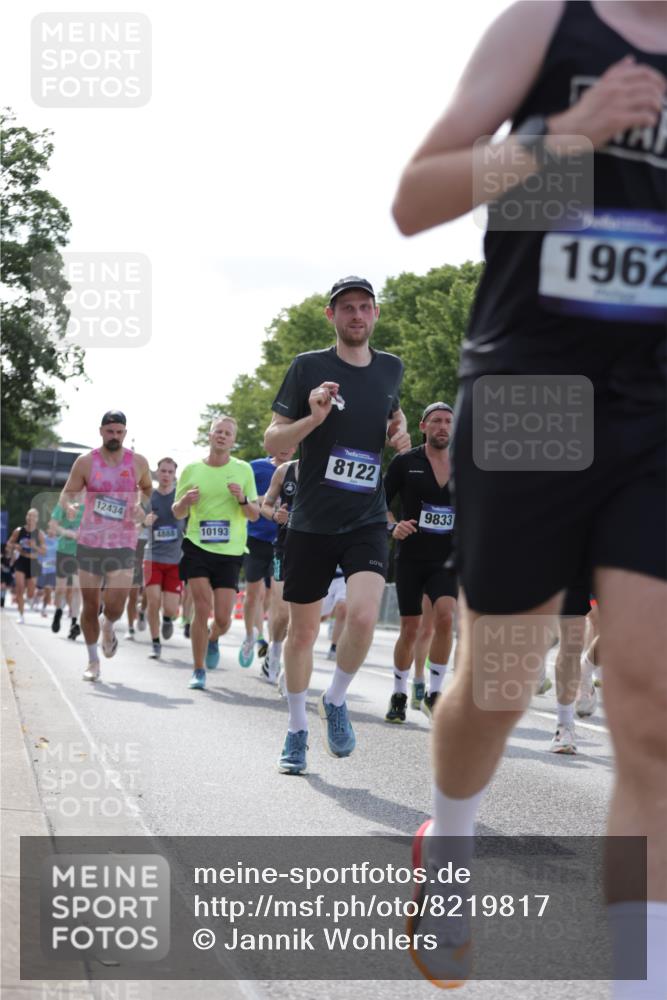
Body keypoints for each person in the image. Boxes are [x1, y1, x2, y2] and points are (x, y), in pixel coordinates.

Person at [392, 2, 666, 993]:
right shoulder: (549, 25)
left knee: (651, 706)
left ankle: (642, 978)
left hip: (654, 409)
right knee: (498, 679)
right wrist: (562, 138)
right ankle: (451, 838)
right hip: (531, 393)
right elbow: (417, 199)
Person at [264, 275, 410, 775]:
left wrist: (399, 430)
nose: (356, 315)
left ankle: (337, 698)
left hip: (366, 517)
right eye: (346, 308)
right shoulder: (309, 366)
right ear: (331, 315)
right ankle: (297, 730)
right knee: (302, 634)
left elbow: (392, 410)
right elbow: (271, 439)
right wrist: (313, 419)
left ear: (374, 315)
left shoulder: (392, 367)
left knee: (364, 616)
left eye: (364, 307)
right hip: (311, 521)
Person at [58, 411, 152, 681]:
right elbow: (68, 492)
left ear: (125, 432)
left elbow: (147, 489)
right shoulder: (86, 462)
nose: (115, 436)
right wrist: (70, 505)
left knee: (115, 604)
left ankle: (108, 625)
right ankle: (92, 661)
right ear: (101, 431)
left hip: (122, 542)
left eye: (119, 432)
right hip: (90, 541)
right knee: (90, 604)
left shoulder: (138, 462)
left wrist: (140, 506)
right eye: (110, 431)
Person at [384, 402, 458, 724]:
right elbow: (380, 505)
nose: (443, 427)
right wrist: (392, 526)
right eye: (436, 421)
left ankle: (435, 692)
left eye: (448, 422)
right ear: (424, 425)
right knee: (411, 629)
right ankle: (399, 692)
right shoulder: (405, 462)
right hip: (411, 556)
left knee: (445, 619)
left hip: (447, 559)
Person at [173, 416, 259, 689]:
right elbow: (177, 511)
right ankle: (198, 670)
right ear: (209, 436)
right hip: (197, 545)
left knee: (222, 618)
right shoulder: (191, 470)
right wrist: (186, 501)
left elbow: (255, 515)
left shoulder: (243, 470)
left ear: (233, 440)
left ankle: (213, 639)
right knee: (201, 607)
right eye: (218, 432)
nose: (222, 436)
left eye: (228, 433)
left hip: (230, 552)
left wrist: (242, 499)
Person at [238, 448, 295, 668]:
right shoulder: (256, 467)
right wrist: (267, 499)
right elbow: (245, 499)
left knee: (274, 596)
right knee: (254, 594)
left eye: (291, 444)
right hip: (255, 538)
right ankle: (251, 636)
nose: (286, 448)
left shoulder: (298, 469)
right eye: (283, 442)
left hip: (282, 543)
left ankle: (270, 646)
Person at [259, 457, 299, 682]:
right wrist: (275, 515)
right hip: (284, 549)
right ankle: (274, 652)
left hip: (316, 553)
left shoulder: (331, 469)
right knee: (282, 612)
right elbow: (265, 505)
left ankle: (292, 665)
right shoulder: (285, 470)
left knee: (302, 618)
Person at [143, 457, 185, 660]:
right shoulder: (149, 497)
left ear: (174, 474)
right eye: (163, 471)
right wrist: (145, 521)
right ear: (157, 473)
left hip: (175, 559)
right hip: (152, 556)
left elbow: (190, 523)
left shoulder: (181, 496)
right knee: (153, 601)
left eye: (170, 471)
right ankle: (155, 643)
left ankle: (168, 619)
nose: (166, 475)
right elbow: (135, 521)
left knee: (170, 607)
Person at [50, 498, 83, 639]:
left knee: (77, 589)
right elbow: (53, 525)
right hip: (64, 551)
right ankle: (58, 612)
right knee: (60, 589)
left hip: (82, 552)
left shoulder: (91, 503)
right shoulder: (63, 502)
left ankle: (74, 623)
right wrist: (67, 532)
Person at [7, 508, 46, 624]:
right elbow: (10, 543)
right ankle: (21, 615)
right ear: (26, 517)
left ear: (37, 519)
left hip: (33, 563)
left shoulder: (39, 534)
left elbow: (44, 551)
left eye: (33, 516)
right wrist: (15, 546)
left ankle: (30, 599)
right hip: (21, 561)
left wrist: (34, 546)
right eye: (29, 515)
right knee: (19, 588)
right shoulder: (19, 531)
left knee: (30, 592)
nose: (31, 518)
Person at [36, 521, 58, 617]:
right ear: (47, 529)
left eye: (54, 529)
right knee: (40, 590)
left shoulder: (59, 541)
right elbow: (39, 553)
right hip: (42, 568)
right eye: (50, 528)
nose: (52, 531)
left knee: (48, 590)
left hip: (53, 570)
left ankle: (43, 609)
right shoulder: (43, 539)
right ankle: (35, 600)